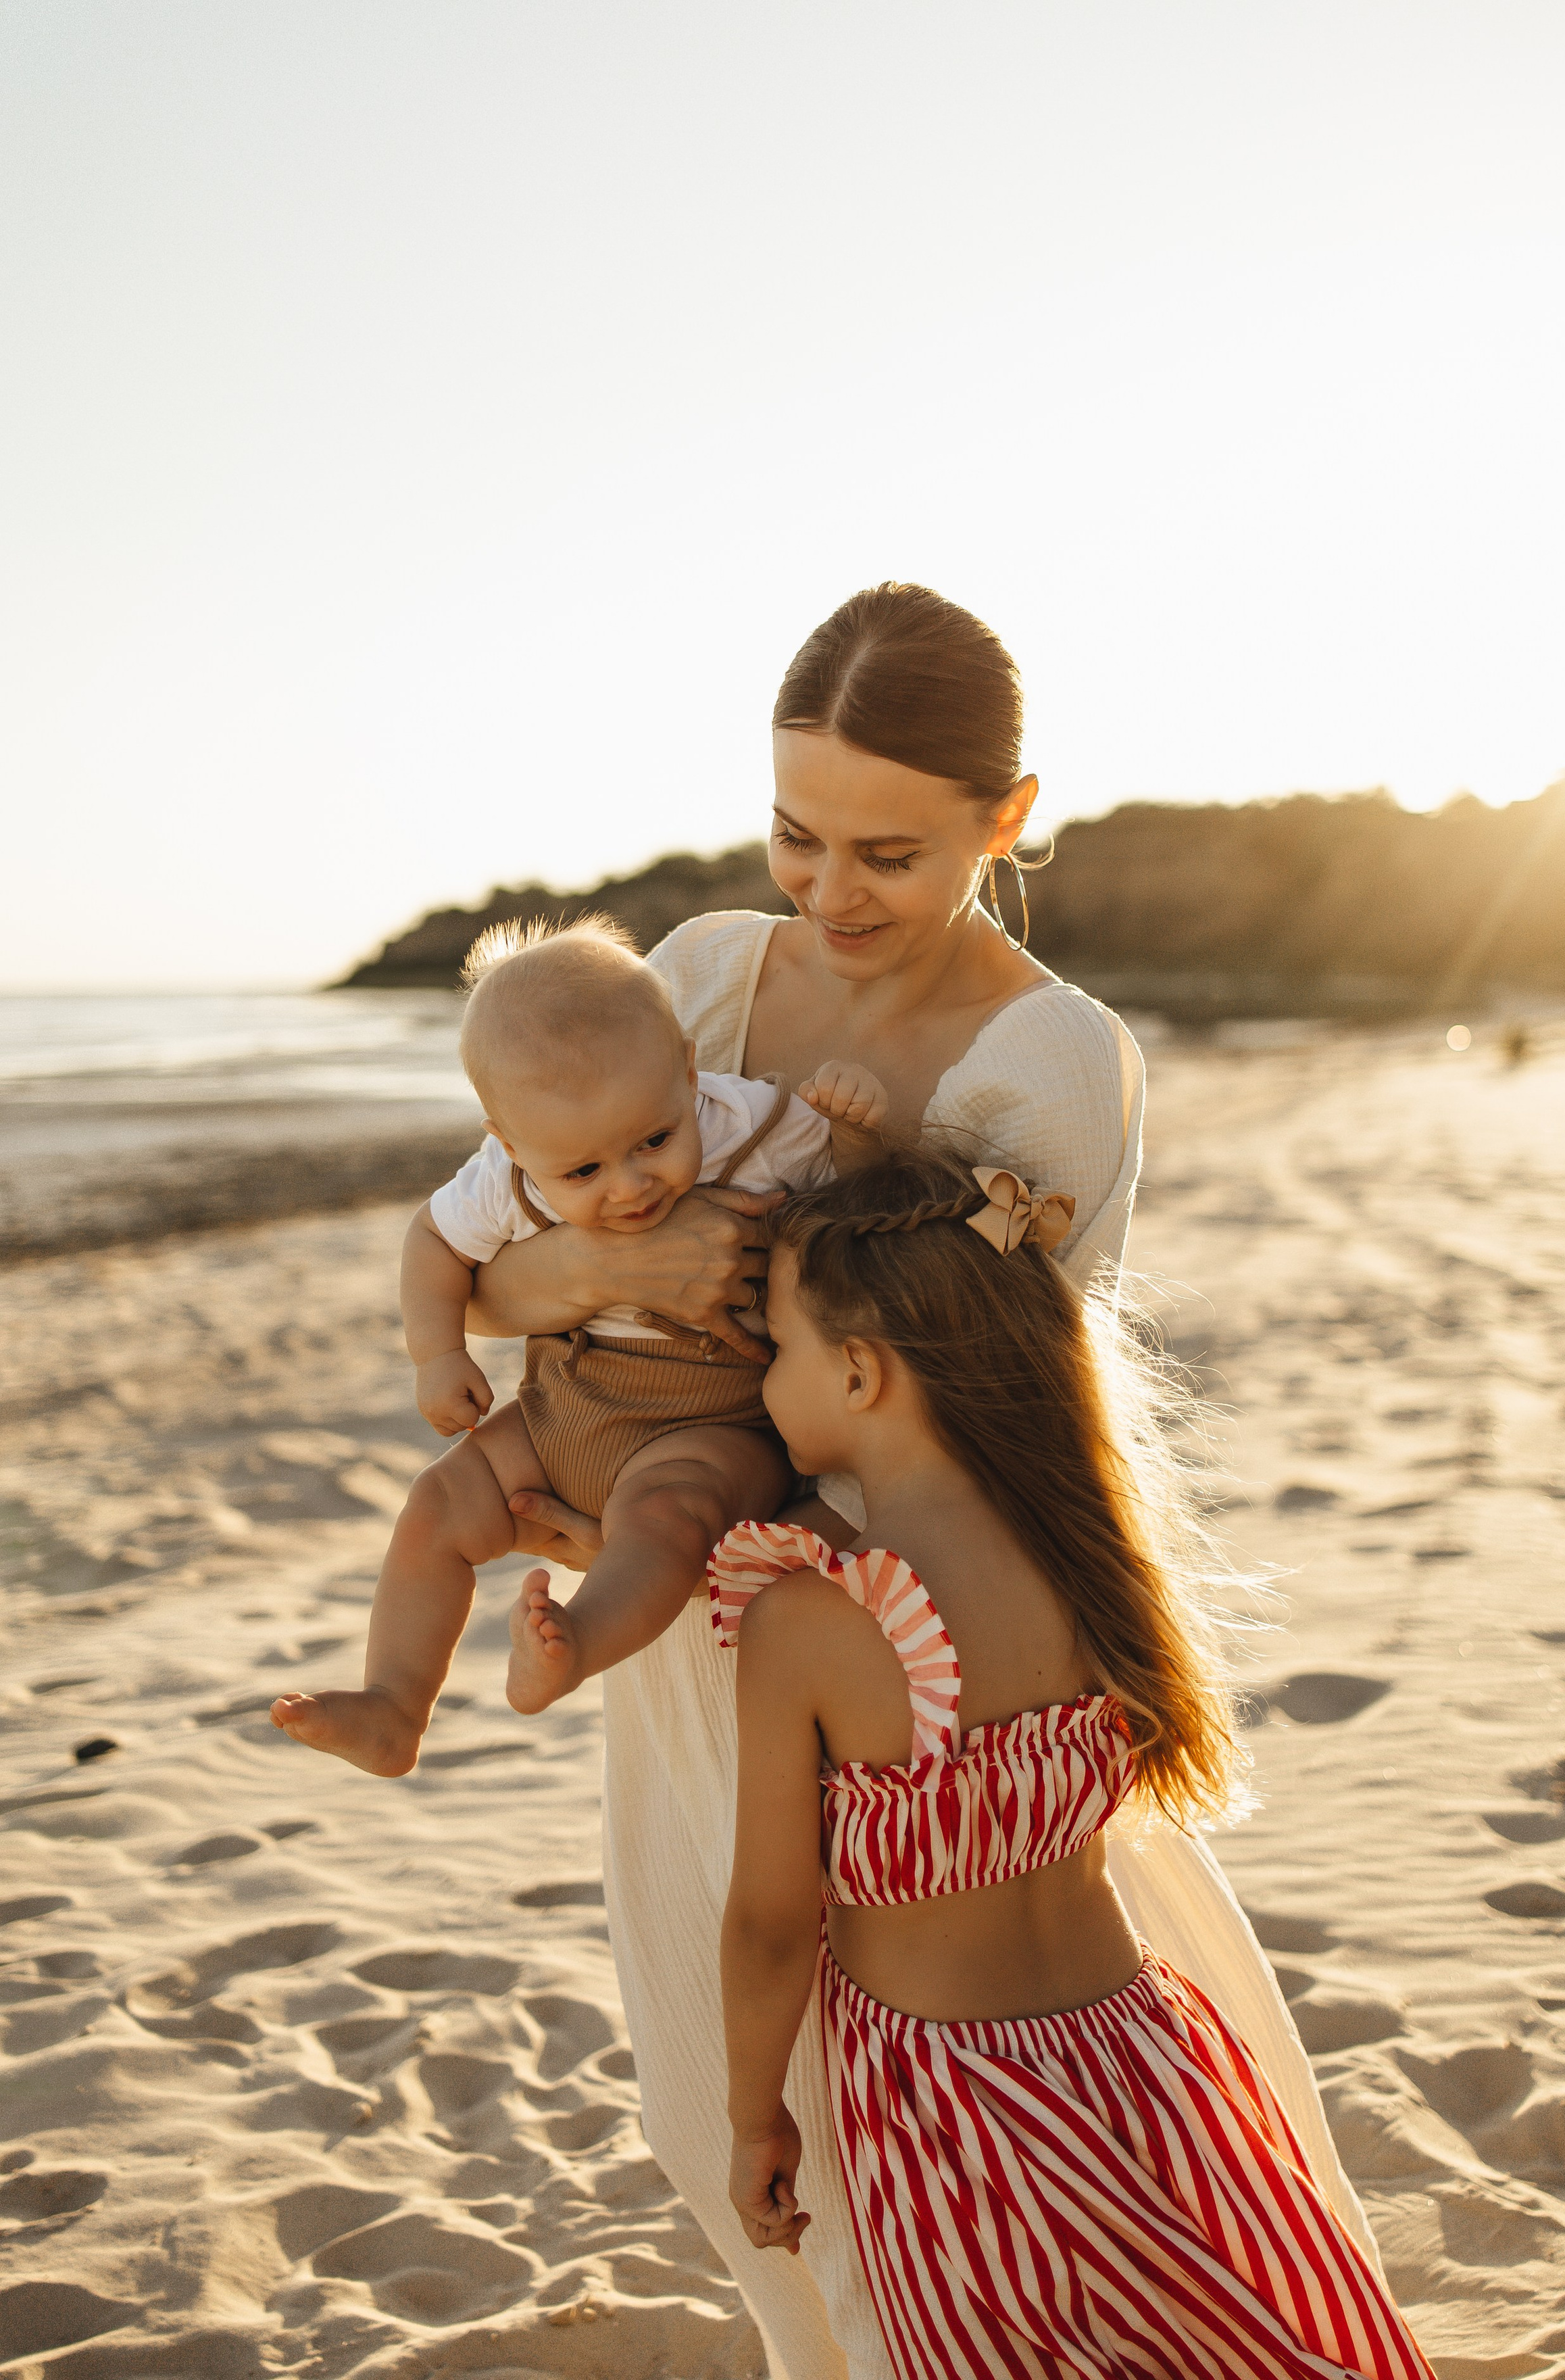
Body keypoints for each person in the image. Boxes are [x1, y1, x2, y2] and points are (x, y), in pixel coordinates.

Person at [470, 582, 1380, 2379]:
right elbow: (507, 1257)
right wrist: (610, 1355)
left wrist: (655, 1441)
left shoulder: (1049, 1063)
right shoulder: (713, 971)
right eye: (795, 836)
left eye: (888, 850)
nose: (831, 894)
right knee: (715, 2112)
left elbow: (964, 1419)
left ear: (1007, 818)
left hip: (891, 1668)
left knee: (904, 2130)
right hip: (688, 1629)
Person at [716, 1149, 1433, 2380]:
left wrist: (749, 2118)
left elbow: (775, 1925)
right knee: (1225, 2338)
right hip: (1143, 2054)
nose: (764, 1380)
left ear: (858, 1372)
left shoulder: (811, 1622)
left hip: (951, 2105)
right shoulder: (1086, 1554)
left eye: (775, 1347)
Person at [270, 917, 886, 1775]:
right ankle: (395, 1706)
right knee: (436, 1508)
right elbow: (433, 1243)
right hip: (567, 1405)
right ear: (508, 1138)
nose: (632, 1186)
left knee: (666, 1520)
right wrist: (436, 1355)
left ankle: (578, 1639)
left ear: (685, 1063)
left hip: (717, 1423)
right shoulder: (511, 1173)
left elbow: (862, 1208)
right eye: (584, 1174)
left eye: (655, 1142)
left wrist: (856, 1133)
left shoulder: (758, 1127)